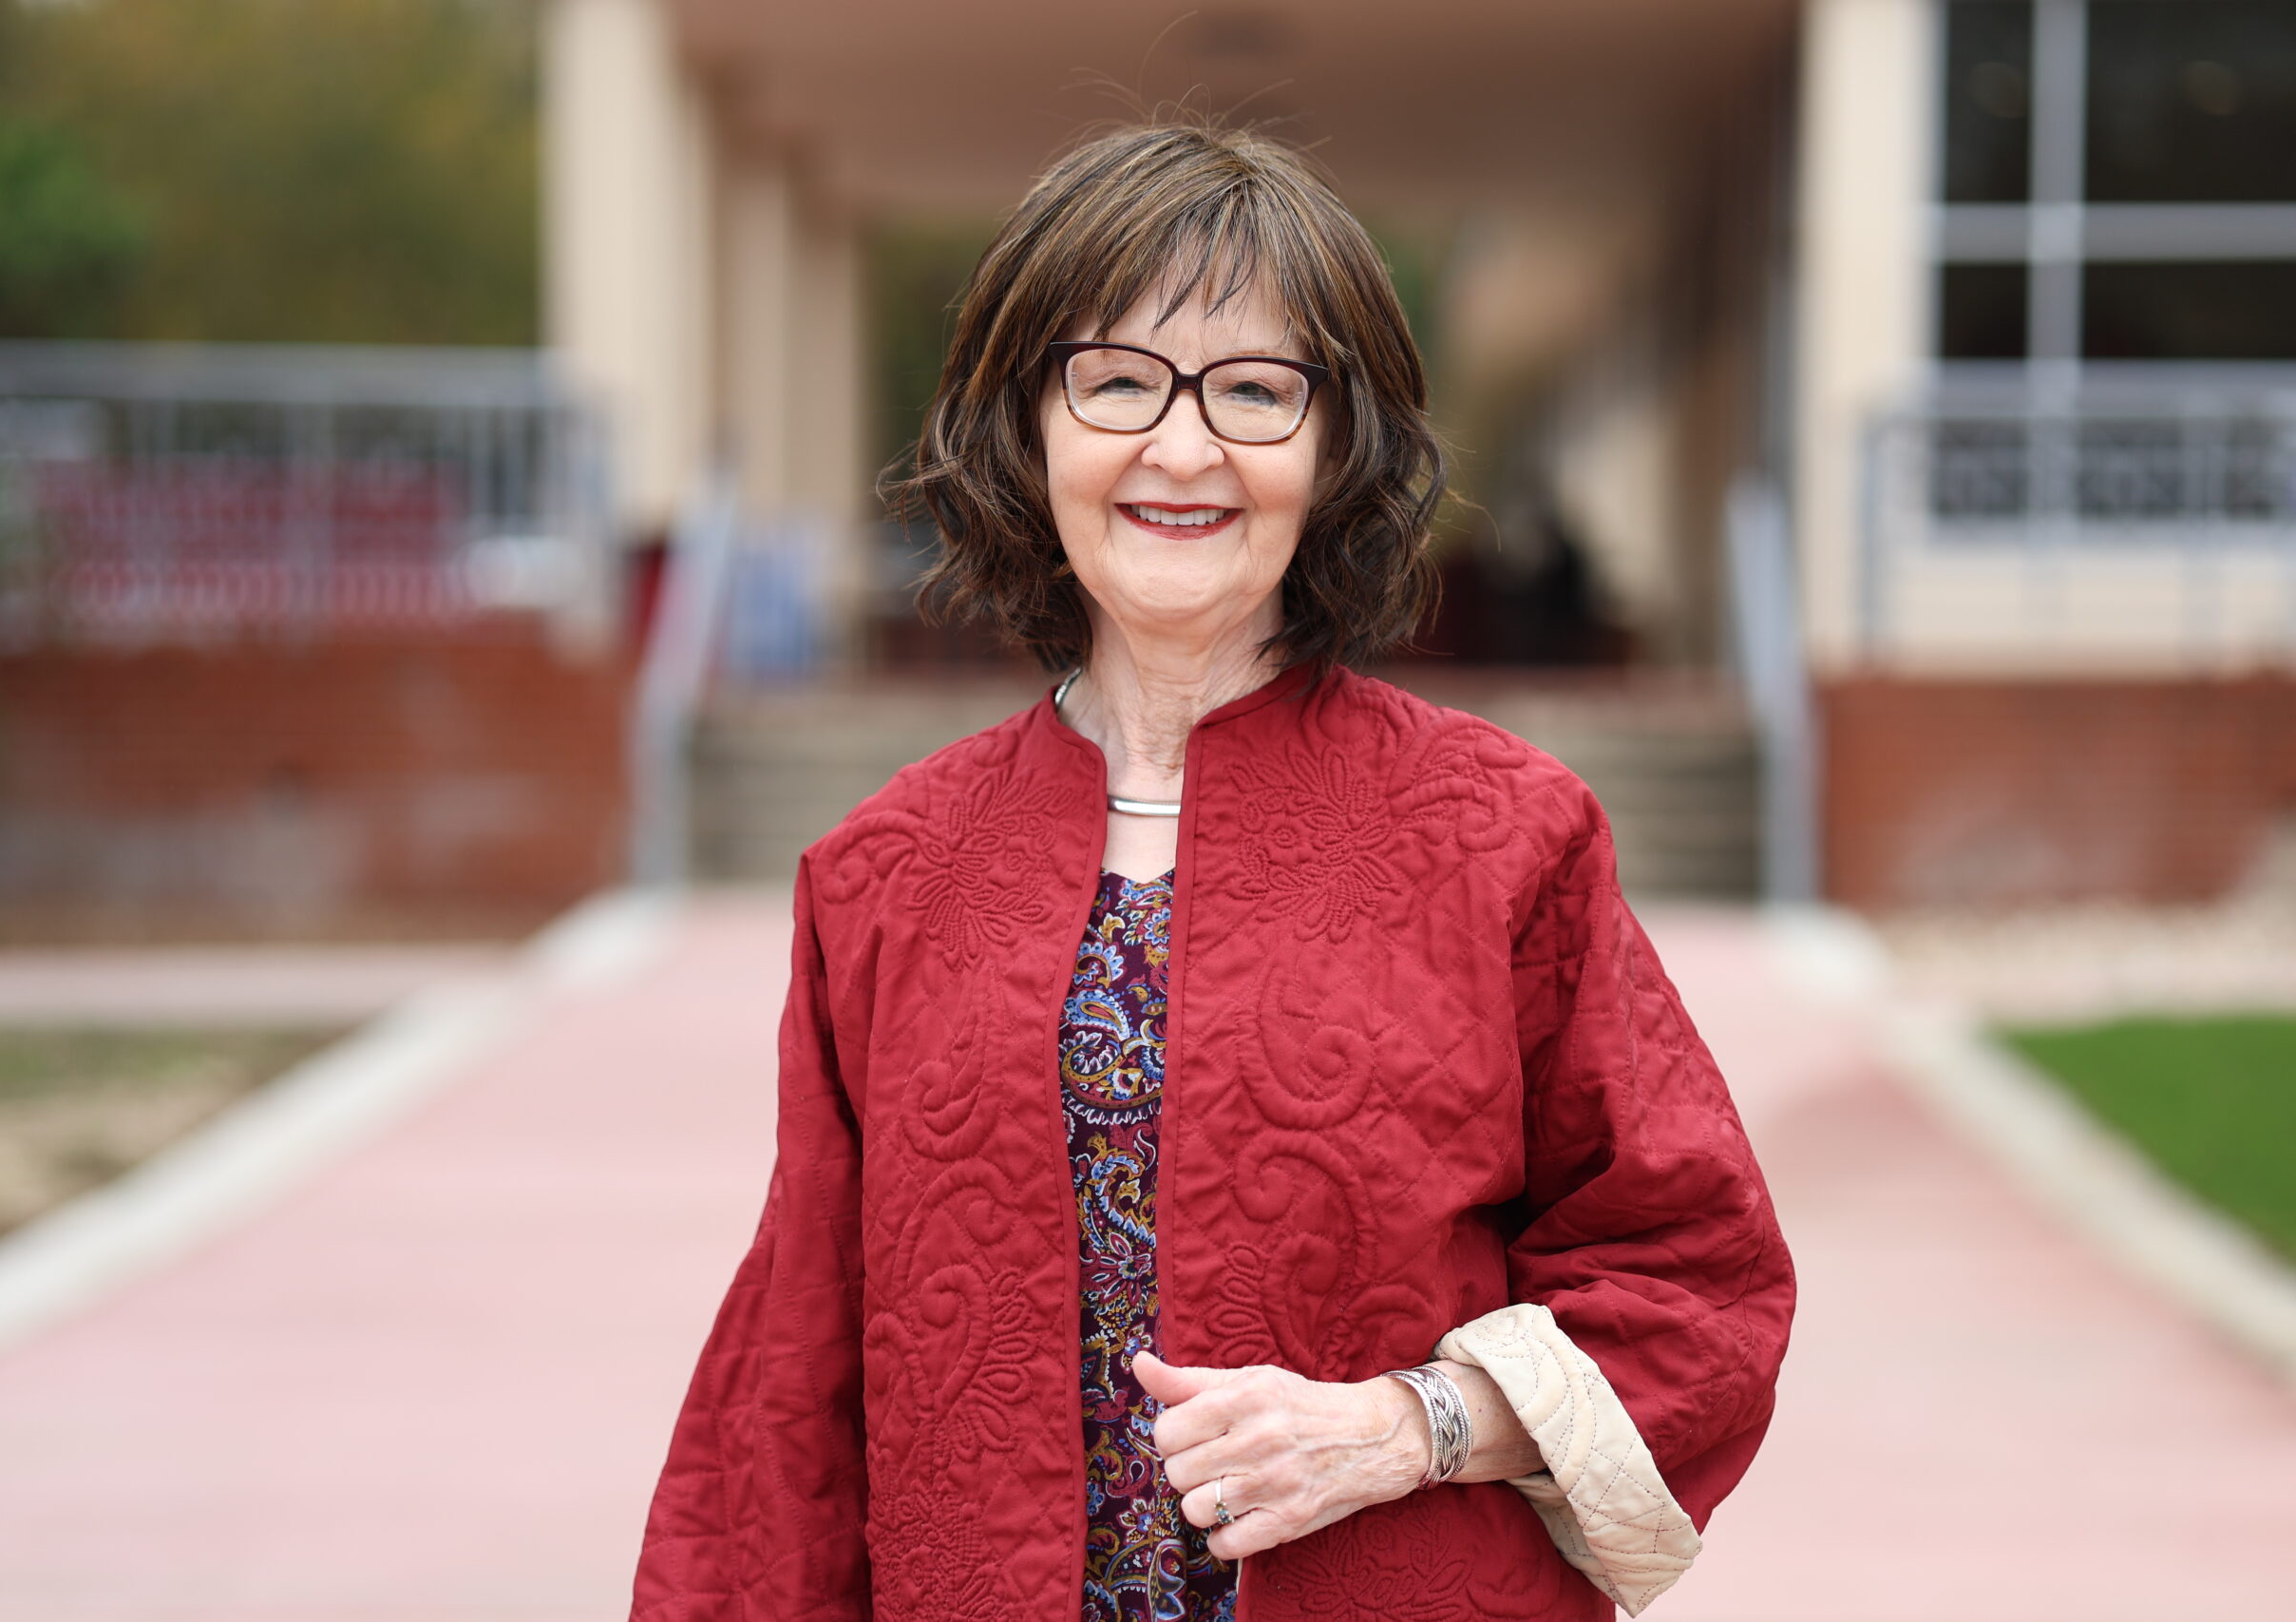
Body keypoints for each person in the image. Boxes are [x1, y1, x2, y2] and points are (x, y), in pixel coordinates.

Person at [630, 123, 1793, 1622]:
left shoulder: (1503, 836)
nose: (1182, 449)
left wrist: (1407, 1427)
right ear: (1028, 426)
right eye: (1116, 381)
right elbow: (789, 1390)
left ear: (1335, 446)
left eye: (1255, 391)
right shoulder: (884, 877)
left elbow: (1695, 1282)